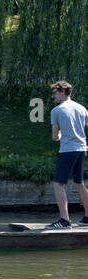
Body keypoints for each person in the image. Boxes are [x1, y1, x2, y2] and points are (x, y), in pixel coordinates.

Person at [48, 80, 88, 229]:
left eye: (55, 93)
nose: (53, 97)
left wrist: (59, 134)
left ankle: (64, 220)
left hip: (67, 151)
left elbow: (55, 137)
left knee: (58, 184)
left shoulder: (56, 111)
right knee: (79, 183)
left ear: (63, 92)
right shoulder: (82, 108)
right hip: (82, 149)